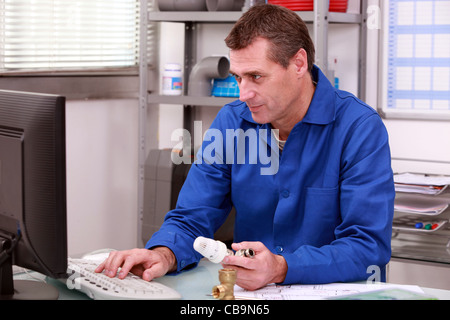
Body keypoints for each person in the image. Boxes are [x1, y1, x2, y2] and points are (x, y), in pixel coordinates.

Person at [96, 4, 395, 291]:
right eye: (238, 77)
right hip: (255, 296)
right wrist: (163, 253)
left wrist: (282, 267)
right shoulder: (232, 122)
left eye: (256, 77)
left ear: (299, 64)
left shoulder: (359, 128)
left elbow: (367, 246)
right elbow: (193, 215)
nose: (245, 93)